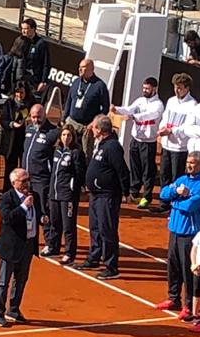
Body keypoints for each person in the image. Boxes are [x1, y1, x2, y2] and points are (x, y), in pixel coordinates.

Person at [158, 152, 200, 318]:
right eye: (189, 162)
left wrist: (175, 201)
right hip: (174, 231)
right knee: (172, 267)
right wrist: (176, 192)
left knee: (187, 270)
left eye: (194, 163)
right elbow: (163, 193)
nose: (190, 165)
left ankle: (189, 305)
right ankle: (174, 298)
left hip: (190, 234)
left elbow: (190, 206)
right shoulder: (181, 180)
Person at [82, 115, 128, 279]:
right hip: (96, 195)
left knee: (107, 229)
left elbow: (122, 170)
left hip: (107, 195)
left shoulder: (112, 146)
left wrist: (126, 192)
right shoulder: (99, 144)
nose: (91, 129)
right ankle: (94, 257)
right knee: (95, 227)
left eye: (94, 127)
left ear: (100, 130)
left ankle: (111, 266)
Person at [0, 168, 39, 327]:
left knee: (21, 280)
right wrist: (24, 207)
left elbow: (37, 215)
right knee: (3, 282)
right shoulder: (6, 198)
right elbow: (7, 218)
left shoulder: (34, 196)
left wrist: (43, 218)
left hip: (28, 245)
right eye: (23, 181)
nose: (27, 184)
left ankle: (14, 309)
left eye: (28, 180)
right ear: (14, 183)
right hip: (10, 247)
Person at [114, 76, 164, 206]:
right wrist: (116, 109)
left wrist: (132, 116)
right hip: (136, 139)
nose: (145, 90)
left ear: (154, 89)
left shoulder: (158, 105)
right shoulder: (140, 100)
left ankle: (147, 196)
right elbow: (129, 109)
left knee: (148, 170)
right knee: (135, 167)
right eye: (144, 88)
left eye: (147, 88)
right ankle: (134, 192)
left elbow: (149, 115)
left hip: (148, 142)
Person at [41, 123, 86, 264]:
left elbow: (80, 174)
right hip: (54, 194)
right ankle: (53, 247)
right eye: (64, 135)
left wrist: (73, 188)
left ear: (73, 137)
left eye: (69, 135)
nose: (66, 138)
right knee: (54, 222)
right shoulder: (57, 151)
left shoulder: (76, 153)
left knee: (68, 226)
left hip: (68, 196)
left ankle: (69, 252)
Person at [62, 58, 109, 155]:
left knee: (85, 153)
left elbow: (106, 108)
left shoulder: (100, 86)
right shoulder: (76, 82)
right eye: (79, 67)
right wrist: (64, 118)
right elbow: (69, 101)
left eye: (83, 67)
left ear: (91, 69)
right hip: (72, 122)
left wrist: (93, 123)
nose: (80, 69)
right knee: (67, 149)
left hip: (87, 127)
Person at [10, 17, 50, 102]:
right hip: (21, 79)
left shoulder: (41, 44)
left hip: (34, 81)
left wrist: (43, 81)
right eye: (22, 29)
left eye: (26, 29)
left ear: (33, 29)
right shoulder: (20, 41)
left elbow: (46, 64)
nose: (24, 31)